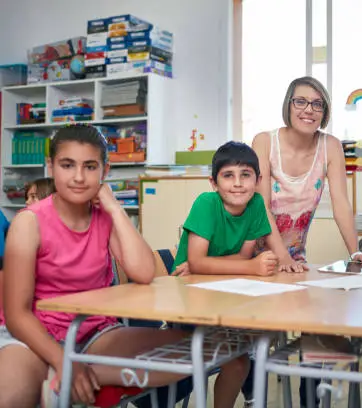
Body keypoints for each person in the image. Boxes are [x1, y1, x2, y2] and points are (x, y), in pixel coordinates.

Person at [0, 125, 247, 408]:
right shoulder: (28, 222)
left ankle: (88, 373)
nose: (79, 177)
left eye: (90, 167)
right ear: (51, 166)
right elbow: (17, 315)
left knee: (214, 351)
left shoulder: (105, 217)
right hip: (34, 336)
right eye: (67, 165)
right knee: (12, 395)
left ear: (104, 172)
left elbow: (142, 273)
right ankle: (66, 373)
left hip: (95, 332)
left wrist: (114, 207)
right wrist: (62, 360)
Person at [249, 76, 362, 407]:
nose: (309, 110)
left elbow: (341, 205)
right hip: (250, 256)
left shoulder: (330, 146)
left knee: (316, 324)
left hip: (295, 260)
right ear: (288, 105)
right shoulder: (264, 141)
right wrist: (279, 255)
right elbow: (259, 207)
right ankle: (251, 390)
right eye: (301, 102)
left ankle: (310, 400)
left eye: (317, 104)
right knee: (253, 338)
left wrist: (356, 250)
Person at [171, 141, 278, 277]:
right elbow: (196, 262)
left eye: (245, 175)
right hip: (186, 281)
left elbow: (243, 256)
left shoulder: (256, 203)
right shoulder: (206, 203)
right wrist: (251, 267)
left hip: (225, 280)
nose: (237, 183)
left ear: (258, 181)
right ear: (214, 183)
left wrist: (203, 266)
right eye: (228, 175)